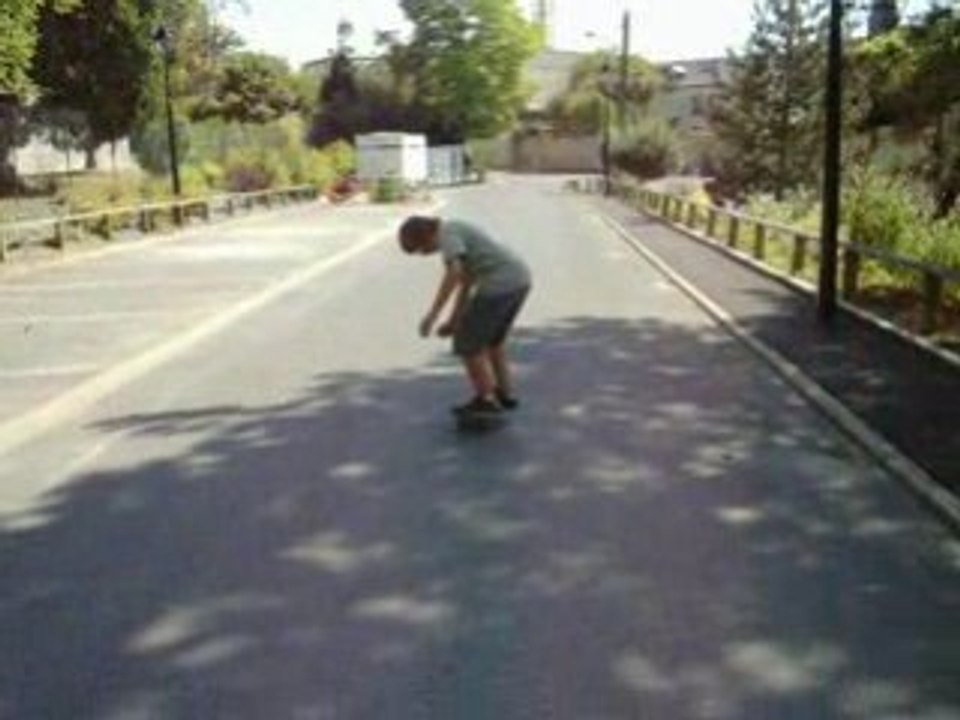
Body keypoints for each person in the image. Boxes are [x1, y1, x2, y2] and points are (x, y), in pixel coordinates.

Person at [398, 215, 531, 417]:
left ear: (426, 236)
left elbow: (454, 274)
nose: (425, 254)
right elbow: (466, 284)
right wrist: (453, 321)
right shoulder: (456, 232)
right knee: (494, 342)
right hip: (519, 280)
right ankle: (504, 393)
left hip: (499, 285)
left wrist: (432, 315)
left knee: (467, 344)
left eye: (421, 249)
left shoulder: (447, 234)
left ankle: (486, 399)